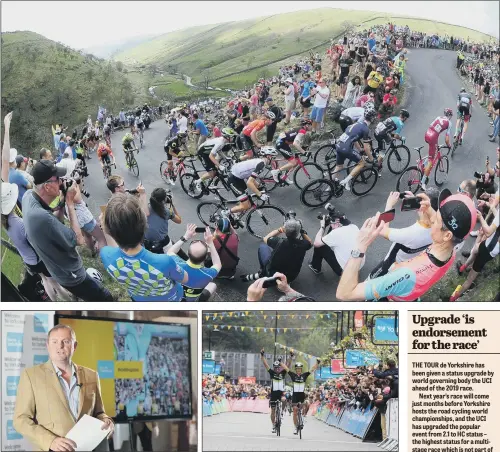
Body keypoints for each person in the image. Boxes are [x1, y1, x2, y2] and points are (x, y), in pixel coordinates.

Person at [336, 190, 477, 301]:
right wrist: (429, 210)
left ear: (447, 236)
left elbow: (345, 294)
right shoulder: (451, 251)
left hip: (391, 294)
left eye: (436, 221)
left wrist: (360, 247)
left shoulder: (405, 275)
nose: (431, 221)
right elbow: (436, 226)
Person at [22, 160, 114, 301]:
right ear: (47, 187)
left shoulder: (29, 196)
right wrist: (69, 204)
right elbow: (79, 240)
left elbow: (54, 221)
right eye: (57, 179)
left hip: (59, 271)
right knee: (105, 298)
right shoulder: (42, 218)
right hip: (71, 275)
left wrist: (61, 202)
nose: (61, 181)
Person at [13, 324, 114, 452]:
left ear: (74, 346)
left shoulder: (91, 375)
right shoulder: (31, 376)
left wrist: (106, 420)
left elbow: (99, 412)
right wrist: (50, 441)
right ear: (47, 345)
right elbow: (21, 419)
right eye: (54, 342)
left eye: (65, 341)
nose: (60, 346)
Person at [100, 193, 188, 301]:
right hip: (170, 299)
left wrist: (105, 229)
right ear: (145, 224)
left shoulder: (105, 255)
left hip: (139, 299)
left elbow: (113, 248)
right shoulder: (164, 261)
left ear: (108, 230)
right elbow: (185, 279)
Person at [368, 188, 440, 279]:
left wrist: (389, 204)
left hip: (391, 264)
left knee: (371, 280)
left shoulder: (410, 234)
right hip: (407, 265)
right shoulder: (438, 228)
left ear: (424, 208)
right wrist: (414, 201)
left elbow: (382, 229)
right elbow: (427, 214)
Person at [451, 200, 498, 301]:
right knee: (475, 249)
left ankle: (453, 298)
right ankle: (463, 267)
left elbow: (489, 232)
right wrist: (487, 204)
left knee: (469, 279)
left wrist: (481, 218)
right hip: (491, 250)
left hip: (488, 249)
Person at [167, 224, 221, 301]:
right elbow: (217, 264)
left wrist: (186, 237)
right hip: (192, 301)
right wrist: (210, 243)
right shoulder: (208, 274)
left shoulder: (176, 264)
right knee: (212, 285)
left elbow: (170, 251)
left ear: (187, 253)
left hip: (176, 298)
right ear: (205, 257)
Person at [309, 209, 365, 277]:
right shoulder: (354, 226)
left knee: (320, 247)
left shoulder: (335, 234)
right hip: (359, 264)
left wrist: (323, 227)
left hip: (345, 271)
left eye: (331, 223)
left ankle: (315, 267)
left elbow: (316, 243)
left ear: (337, 223)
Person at [257, 216, 312, 283]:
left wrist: (280, 230)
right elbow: (310, 242)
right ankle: (286, 282)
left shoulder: (278, 242)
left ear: (285, 231)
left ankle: (263, 270)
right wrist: (301, 230)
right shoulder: (303, 244)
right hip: (291, 277)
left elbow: (265, 238)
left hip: (273, 274)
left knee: (263, 247)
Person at [333, 108, 377, 192]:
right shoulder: (365, 129)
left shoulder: (356, 124)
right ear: (372, 119)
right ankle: (345, 181)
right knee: (362, 163)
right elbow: (366, 148)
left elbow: (354, 139)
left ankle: (330, 186)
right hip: (345, 148)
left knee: (339, 166)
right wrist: (372, 159)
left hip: (339, 145)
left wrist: (359, 149)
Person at [223, 148, 276, 217]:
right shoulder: (261, 164)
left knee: (246, 200)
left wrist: (258, 188)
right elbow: (249, 183)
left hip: (239, 177)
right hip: (233, 179)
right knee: (246, 206)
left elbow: (248, 173)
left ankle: (236, 213)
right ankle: (226, 213)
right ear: (269, 157)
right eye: (274, 157)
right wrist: (260, 194)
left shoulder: (260, 162)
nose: (275, 160)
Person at [283, 353, 321, 435]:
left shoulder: (304, 375)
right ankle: (295, 427)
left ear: (301, 370)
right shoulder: (293, 375)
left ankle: (302, 418)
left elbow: (312, 369)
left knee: (303, 407)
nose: (298, 370)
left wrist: (317, 363)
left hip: (301, 395)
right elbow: (286, 368)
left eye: (300, 369)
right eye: (297, 369)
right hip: (295, 396)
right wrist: (282, 362)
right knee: (295, 411)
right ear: (296, 370)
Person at [144, 188, 184, 257]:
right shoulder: (166, 211)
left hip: (146, 242)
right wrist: (172, 205)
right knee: (176, 252)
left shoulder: (145, 208)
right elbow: (179, 220)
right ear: (164, 200)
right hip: (161, 243)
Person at [271, 119, 313, 183]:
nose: (311, 127)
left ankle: (284, 177)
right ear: (307, 125)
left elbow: (297, 142)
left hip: (284, 143)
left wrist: (303, 149)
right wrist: (304, 152)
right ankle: (276, 171)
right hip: (281, 144)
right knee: (293, 162)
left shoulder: (300, 129)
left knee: (295, 162)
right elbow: (295, 143)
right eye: (311, 125)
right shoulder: (302, 131)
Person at [421, 108, 453, 190]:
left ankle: (423, 164)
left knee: (432, 150)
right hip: (433, 137)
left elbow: (433, 127)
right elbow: (446, 140)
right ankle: (423, 182)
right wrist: (449, 145)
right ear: (450, 115)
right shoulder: (449, 123)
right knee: (431, 161)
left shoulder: (439, 117)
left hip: (427, 133)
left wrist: (436, 143)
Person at [259, 349, 287, 433]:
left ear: (280, 368)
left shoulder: (283, 373)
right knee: (273, 410)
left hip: (281, 393)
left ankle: (282, 412)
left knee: (284, 400)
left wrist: (291, 357)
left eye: (278, 368)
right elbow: (265, 364)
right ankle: (273, 425)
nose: (277, 369)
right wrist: (262, 355)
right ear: (274, 368)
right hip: (274, 393)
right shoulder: (272, 373)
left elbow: (288, 365)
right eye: (275, 368)